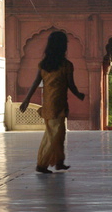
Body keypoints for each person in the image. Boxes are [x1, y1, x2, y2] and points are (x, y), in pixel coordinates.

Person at [20, 31, 85, 173]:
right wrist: (79, 95)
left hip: (49, 104)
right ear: (62, 47)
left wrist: (26, 100)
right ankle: (42, 164)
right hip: (59, 104)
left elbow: (35, 83)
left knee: (58, 133)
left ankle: (59, 162)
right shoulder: (67, 65)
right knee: (54, 135)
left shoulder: (44, 65)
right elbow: (71, 85)